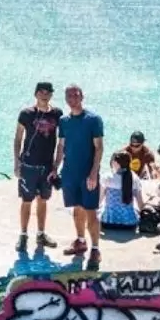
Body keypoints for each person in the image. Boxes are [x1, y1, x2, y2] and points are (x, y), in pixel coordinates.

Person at [52, 85, 104, 267]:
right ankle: (80, 241)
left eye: (76, 94)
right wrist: (55, 167)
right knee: (76, 209)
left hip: (87, 174)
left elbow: (99, 147)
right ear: (66, 98)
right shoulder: (64, 121)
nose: (73, 98)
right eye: (69, 95)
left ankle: (96, 250)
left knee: (91, 211)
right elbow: (61, 146)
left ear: (82, 97)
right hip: (69, 173)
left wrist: (93, 173)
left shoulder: (93, 120)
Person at [13, 82, 62, 252]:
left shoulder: (57, 114)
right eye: (41, 92)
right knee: (26, 201)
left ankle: (41, 234)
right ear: (36, 94)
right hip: (28, 165)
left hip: (47, 166)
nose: (44, 95)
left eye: (48, 92)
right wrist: (16, 163)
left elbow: (62, 142)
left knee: (43, 200)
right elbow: (18, 138)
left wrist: (57, 165)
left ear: (51, 95)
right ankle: (23, 235)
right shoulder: (26, 114)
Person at [100, 152, 145, 230]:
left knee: (103, 209)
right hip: (129, 223)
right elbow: (140, 203)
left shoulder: (107, 177)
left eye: (112, 161)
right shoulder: (134, 178)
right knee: (134, 210)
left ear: (116, 163)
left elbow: (99, 200)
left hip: (108, 222)